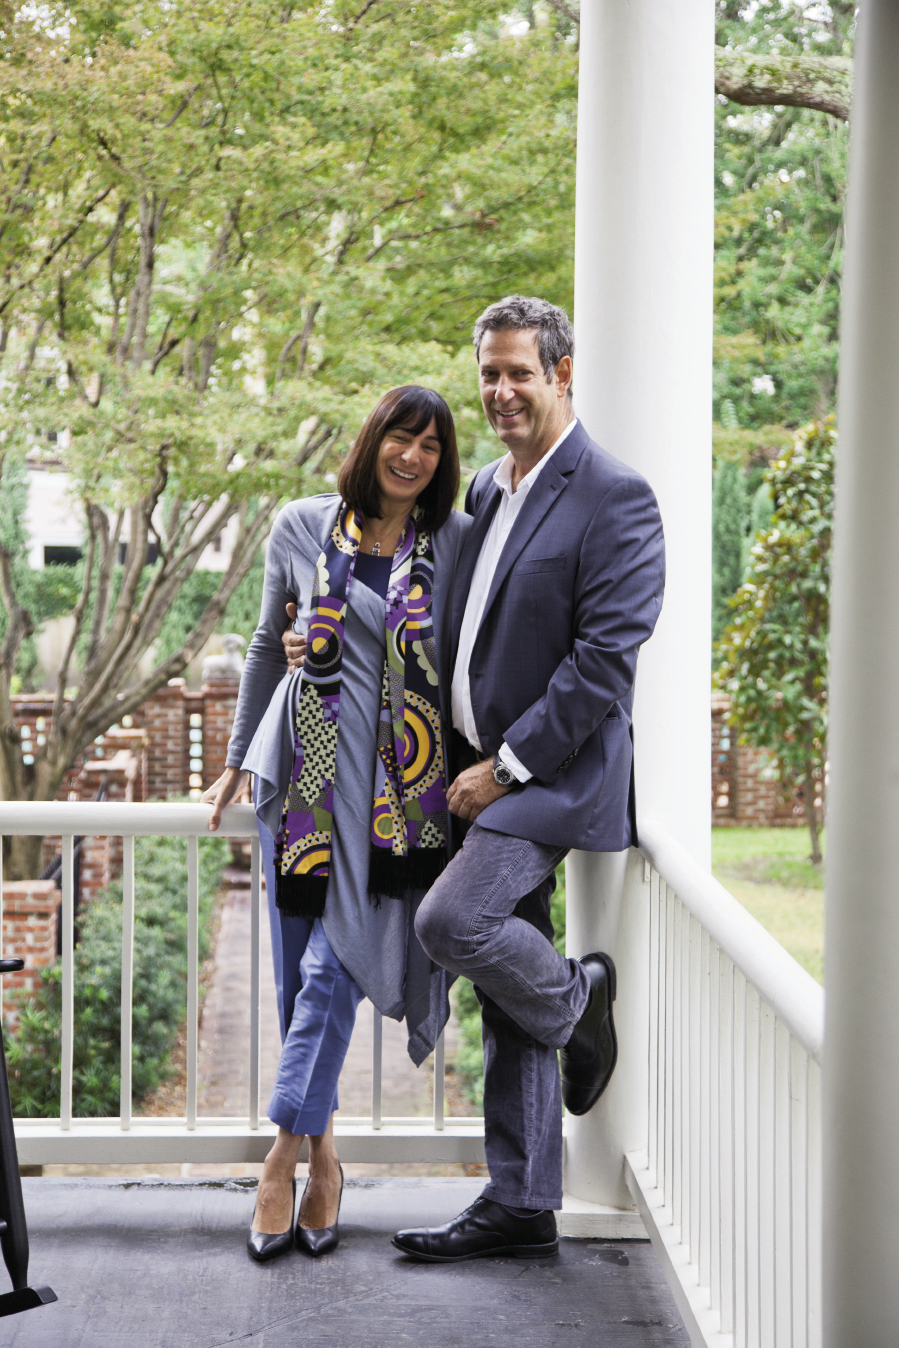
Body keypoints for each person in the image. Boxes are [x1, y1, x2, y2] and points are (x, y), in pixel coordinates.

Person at [392, 296, 666, 1261]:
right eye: (489, 374)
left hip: (544, 779)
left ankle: (580, 999)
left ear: (562, 373)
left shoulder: (612, 494)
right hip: (475, 772)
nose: (501, 392)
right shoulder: (486, 494)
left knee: (451, 924)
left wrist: (505, 769)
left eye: (519, 372)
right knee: (500, 994)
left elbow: (603, 663)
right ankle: (521, 1201)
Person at [203, 385, 469, 1263]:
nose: (413, 456)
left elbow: (472, 661)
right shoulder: (302, 525)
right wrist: (241, 755)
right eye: (402, 436)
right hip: (307, 784)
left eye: (431, 445)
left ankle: (279, 1160)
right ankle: (325, 1159)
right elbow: (258, 646)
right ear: (374, 440)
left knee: (328, 972)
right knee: (297, 978)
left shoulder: (454, 545)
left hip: (399, 799)